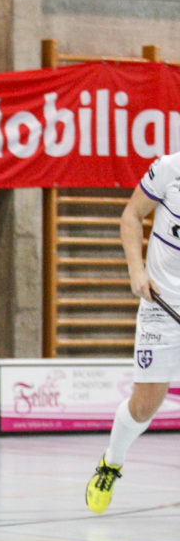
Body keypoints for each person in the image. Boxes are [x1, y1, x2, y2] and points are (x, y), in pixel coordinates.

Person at [85, 150, 180, 513]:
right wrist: (136, 271)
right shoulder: (170, 168)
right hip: (162, 303)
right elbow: (131, 215)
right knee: (144, 407)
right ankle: (112, 460)